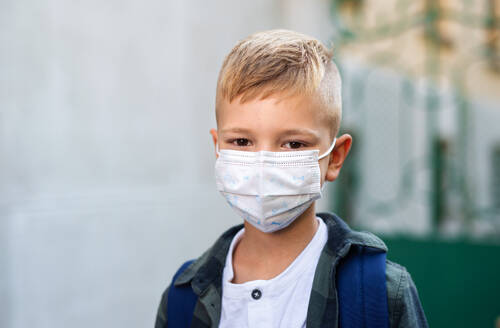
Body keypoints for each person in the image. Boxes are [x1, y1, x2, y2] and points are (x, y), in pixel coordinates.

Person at [154, 29, 428, 328]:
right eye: (242, 142)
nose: (264, 164)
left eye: (293, 144)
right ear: (218, 148)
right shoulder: (183, 299)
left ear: (334, 158)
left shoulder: (379, 294)